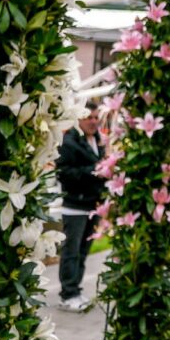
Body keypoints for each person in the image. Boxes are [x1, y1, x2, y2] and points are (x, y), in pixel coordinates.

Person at [56, 101, 106, 312]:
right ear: (78, 119)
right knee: (71, 251)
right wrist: (94, 170)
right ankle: (68, 294)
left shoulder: (98, 141)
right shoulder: (68, 142)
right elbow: (65, 174)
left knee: (83, 252)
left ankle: (75, 289)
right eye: (89, 117)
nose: (93, 122)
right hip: (75, 205)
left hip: (92, 205)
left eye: (96, 117)